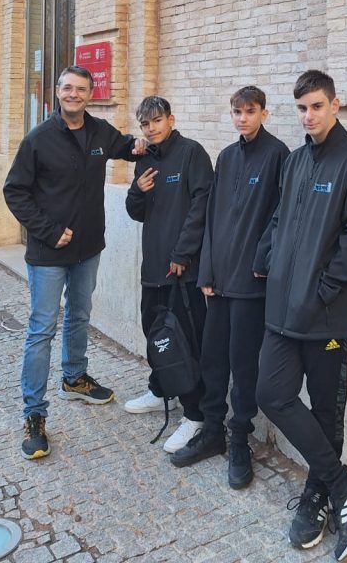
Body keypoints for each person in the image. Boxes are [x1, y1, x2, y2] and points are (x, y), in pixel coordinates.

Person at [255, 70, 347, 562]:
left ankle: (317, 495)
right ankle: (344, 484)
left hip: (328, 315)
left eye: (316, 106)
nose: (308, 116)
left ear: (335, 105)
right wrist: (267, 258)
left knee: (327, 408)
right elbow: (280, 217)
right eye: (302, 108)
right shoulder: (295, 160)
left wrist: (323, 290)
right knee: (272, 393)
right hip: (282, 310)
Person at [3, 65, 147, 461]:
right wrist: (48, 231)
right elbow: (15, 192)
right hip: (48, 253)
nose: (73, 94)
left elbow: (128, 146)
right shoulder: (38, 139)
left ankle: (74, 377)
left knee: (80, 316)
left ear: (90, 94)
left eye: (81, 89)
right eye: (67, 88)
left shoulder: (100, 132)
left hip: (88, 248)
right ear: (58, 91)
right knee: (42, 329)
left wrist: (150, 141)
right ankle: (34, 414)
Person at [170, 85, 289, 489]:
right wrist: (206, 271)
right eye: (237, 112)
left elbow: (279, 218)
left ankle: (240, 439)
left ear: (264, 114)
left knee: (244, 364)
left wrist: (262, 264)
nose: (242, 118)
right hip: (218, 282)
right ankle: (213, 432)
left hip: (251, 285)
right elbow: (213, 217)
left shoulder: (278, 156)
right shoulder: (225, 156)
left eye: (250, 111)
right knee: (213, 358)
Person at [124, 95, 214, 452]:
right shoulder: (144, 159)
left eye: (157, 121)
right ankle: (161, 388)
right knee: (155, 332)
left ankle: (195, 414)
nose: (151, 128)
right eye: (145, 124)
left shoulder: (192, 153)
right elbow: (136, 212)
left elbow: (202, 207)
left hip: (182, 270)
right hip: (153, 267)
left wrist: (183, 253)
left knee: (186, 341)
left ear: (171, 120)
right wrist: (137, 190)